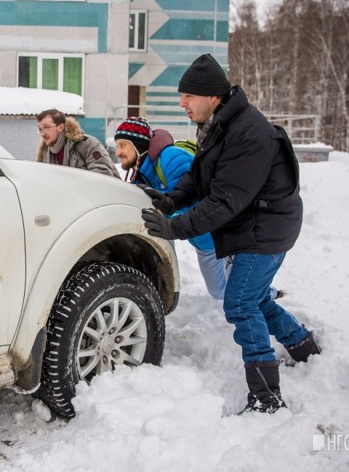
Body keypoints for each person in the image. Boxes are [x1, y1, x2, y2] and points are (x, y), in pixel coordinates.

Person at [139, 54, 321, 414]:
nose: (182, 103)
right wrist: (171, 199)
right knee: (255, 299)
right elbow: (200, 177)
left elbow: (225, 200)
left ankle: (266, 395)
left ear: (211, 96)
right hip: (255, 223)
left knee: (239, 301)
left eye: (188, 96)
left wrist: (175, 227)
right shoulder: (218, 125)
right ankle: (304, 348)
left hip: (267, 228)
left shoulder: (248, 132)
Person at [114, 116, 282, 302]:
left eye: (122, 145)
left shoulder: (171, 158)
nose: (118, 152)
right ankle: (264, 294)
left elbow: (191, 197)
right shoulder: (142, 174)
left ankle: (268, 295)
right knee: (222, 290)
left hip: (221, 233)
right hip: (203, 241)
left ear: (138, 144)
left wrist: (166, 217)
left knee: (229, 290)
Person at [35, 108, 118, 178]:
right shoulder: (45, 152)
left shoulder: (87, 144)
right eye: (40, 129)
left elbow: (103, 175)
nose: (42, 133)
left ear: (60, 127)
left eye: (46, 127)